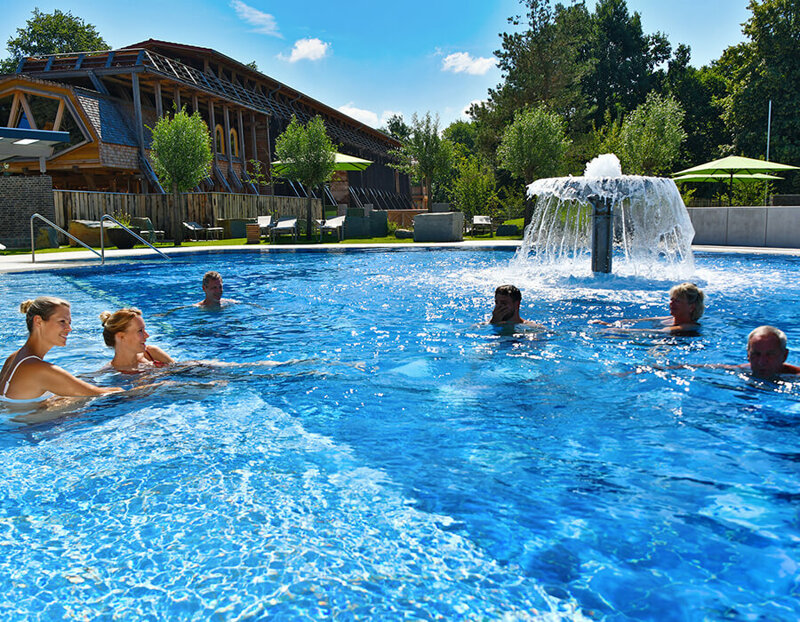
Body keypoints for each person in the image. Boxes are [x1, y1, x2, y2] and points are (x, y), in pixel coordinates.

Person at [0, 297, 123, 403]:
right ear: (38, 321)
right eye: (62, 322)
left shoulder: (15, 357)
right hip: (26, 428)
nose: (69, 329)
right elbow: (104, 394)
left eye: (69, 322)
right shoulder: (40, 369)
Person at [591, 282, 704, 334]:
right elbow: (635, 321)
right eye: (671, 299)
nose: (671, 304)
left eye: (677, 301)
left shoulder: (688, 326)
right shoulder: (669, 319)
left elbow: (659, 332)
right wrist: (609, 324)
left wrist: (621, 331)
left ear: (691, 307)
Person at [100, 308, 175, 373]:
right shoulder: (109, 372)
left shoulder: (152, 353)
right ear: (121, 336)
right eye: (140, 331)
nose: (147, 335)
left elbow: (182, 370)